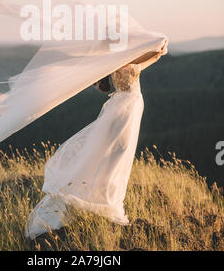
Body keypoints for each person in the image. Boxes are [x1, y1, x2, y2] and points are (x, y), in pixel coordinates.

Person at [25, 48, 165, 239]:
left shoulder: (118, 62)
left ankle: (105, 198)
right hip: (125, 110)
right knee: (118, 155)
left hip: (123, 108)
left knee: (115, 154)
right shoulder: (124, 66)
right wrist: (158, 52)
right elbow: (144, 62)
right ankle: (105, 200)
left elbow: (141, 60)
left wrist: (154, 51)